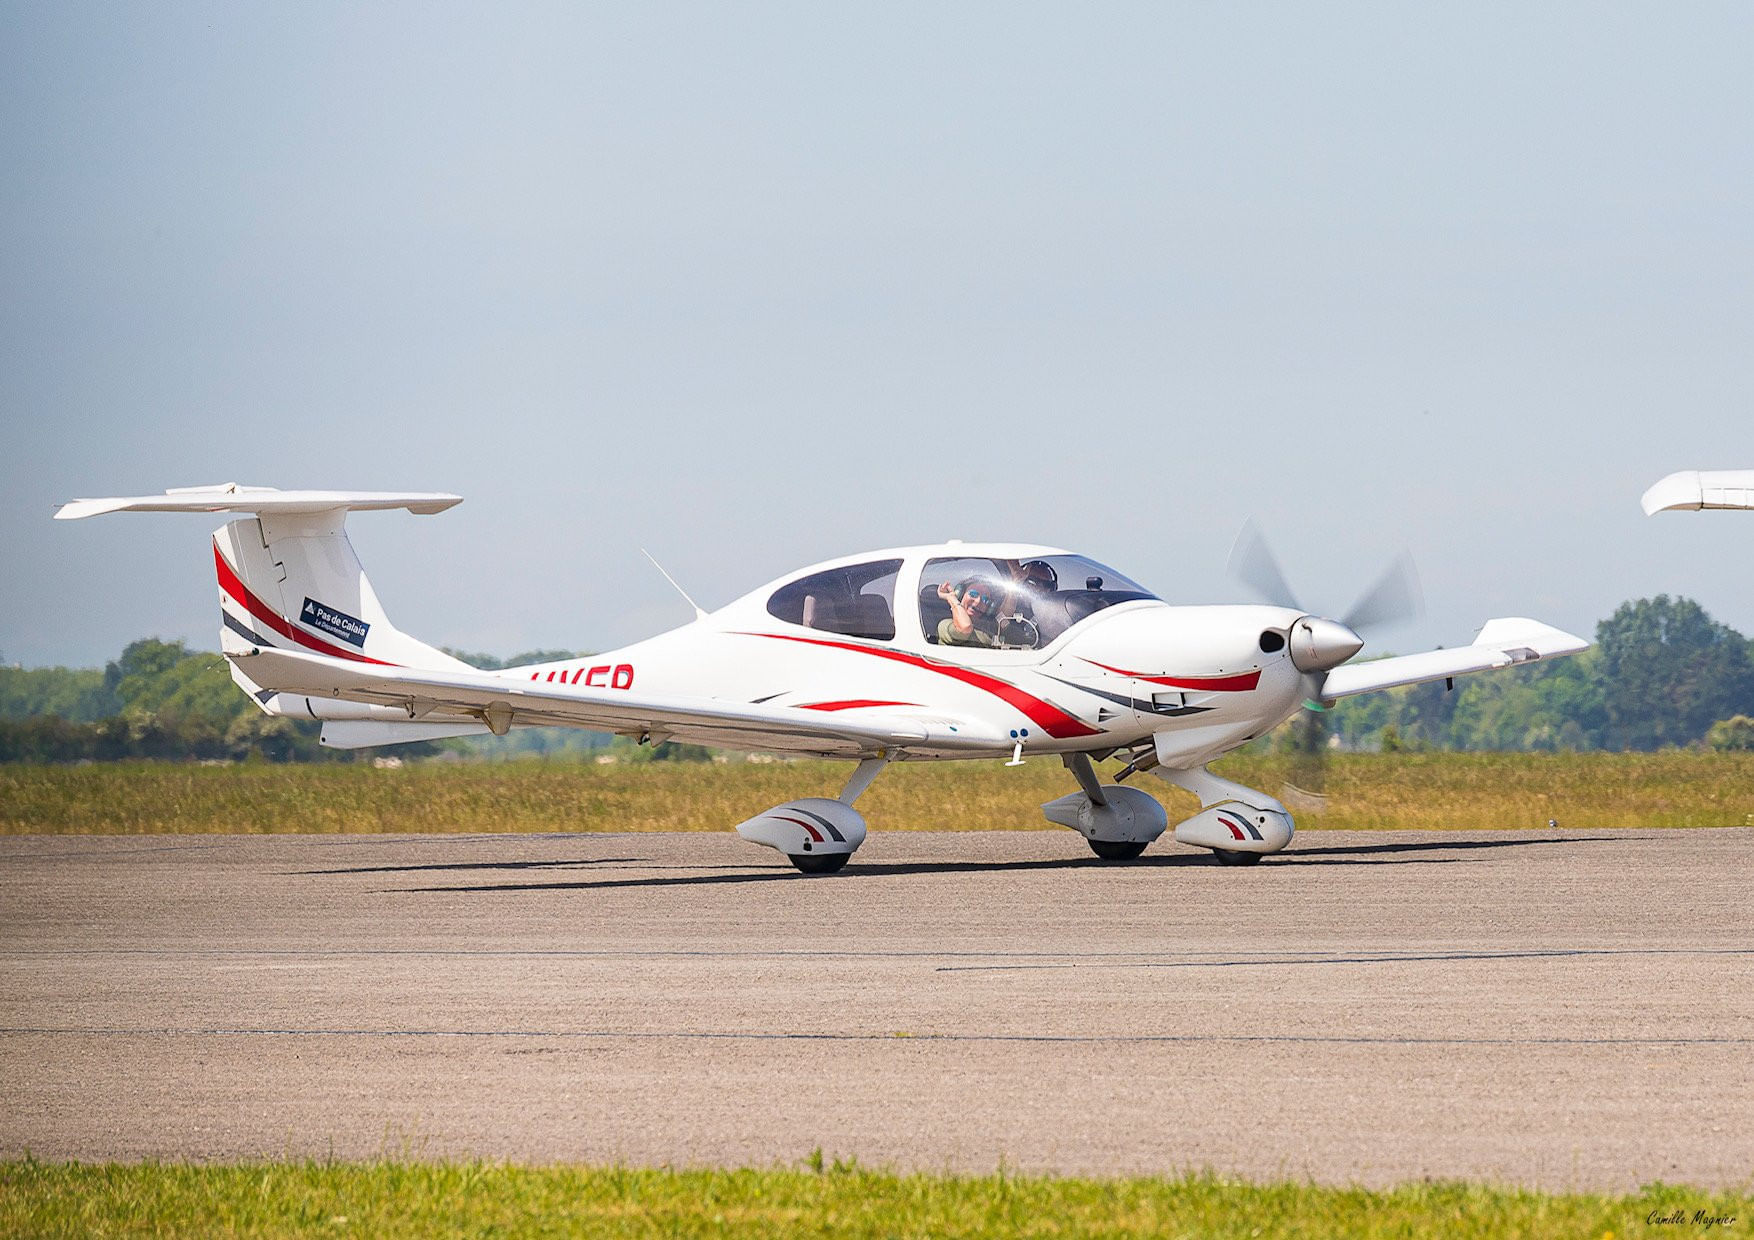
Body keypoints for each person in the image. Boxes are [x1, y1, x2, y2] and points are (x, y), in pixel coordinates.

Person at [935, 577, 1003, 647]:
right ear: (960, 595)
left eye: (985, 599)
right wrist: (952, 598)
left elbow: (1006, 619)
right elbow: (965, 627)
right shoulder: (945, 625)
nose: (978, 601)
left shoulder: (988, 628)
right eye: (973, 594)